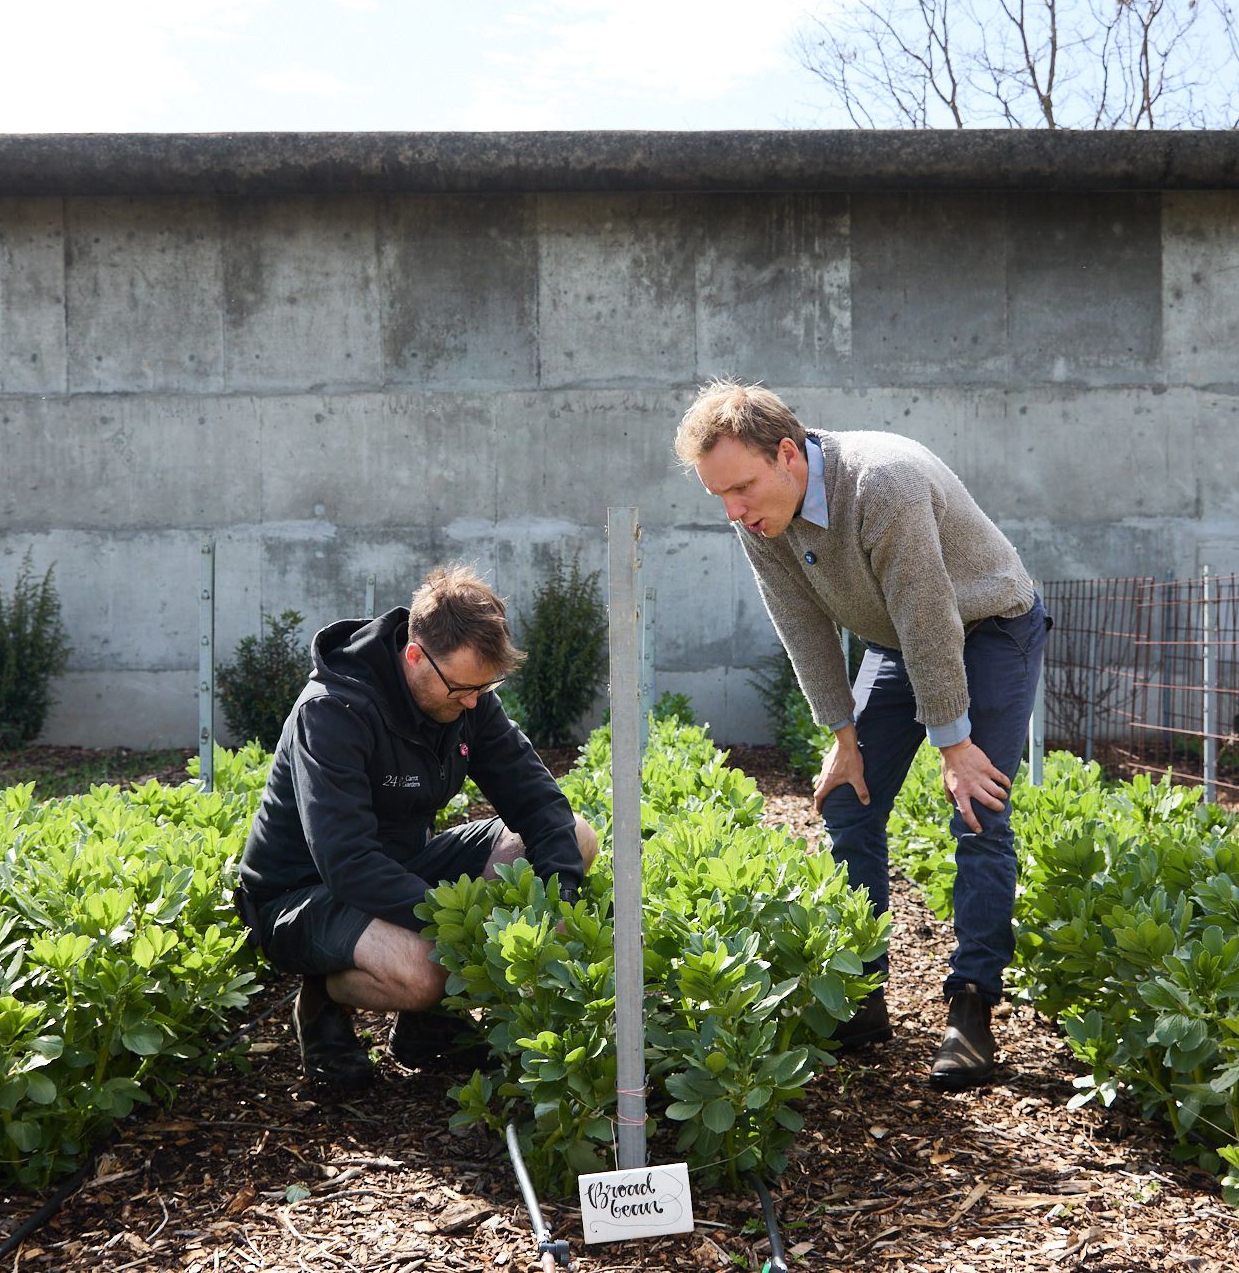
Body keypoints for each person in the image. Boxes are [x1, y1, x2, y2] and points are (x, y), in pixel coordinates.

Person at [674, 379, 1047, 1090]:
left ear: (787, 454)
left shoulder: (882, 483)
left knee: (978, 807)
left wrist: (954, 742)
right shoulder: (760, 519)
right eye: (718, 495)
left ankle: (971, 1009)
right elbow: (804, 626)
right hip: (901, 640)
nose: (733, 510)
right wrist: (842, 736)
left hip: (988, 624)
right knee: (848, 798)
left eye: (743, 487)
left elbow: (930, 610)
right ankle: (859, 992)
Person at [235, 565, 598, 1089]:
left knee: (575, 838)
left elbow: (535, 796)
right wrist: (465, 928)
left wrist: (560, 891)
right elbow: (347, 862)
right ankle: (322, 995)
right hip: (303, 895)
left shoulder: (467, 697)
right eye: (462, 688)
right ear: (413, 656)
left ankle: (423, 1031)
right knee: (424, 970)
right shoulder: (333, 712)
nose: (474, 701)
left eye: (485, 687)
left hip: (401, 868)